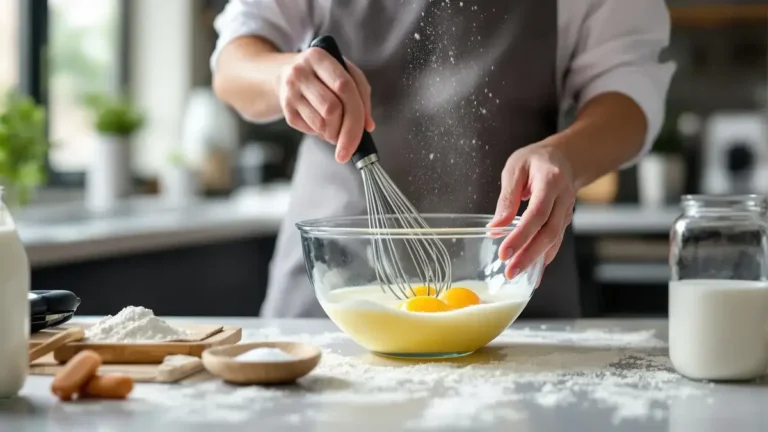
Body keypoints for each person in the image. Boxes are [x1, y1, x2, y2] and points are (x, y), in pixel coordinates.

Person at [211, 0, 675, 318]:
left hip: (511, 303)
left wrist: (567, 156)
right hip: (329, 302)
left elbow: (629, 93)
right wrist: (284, 77)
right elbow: (234, 62)